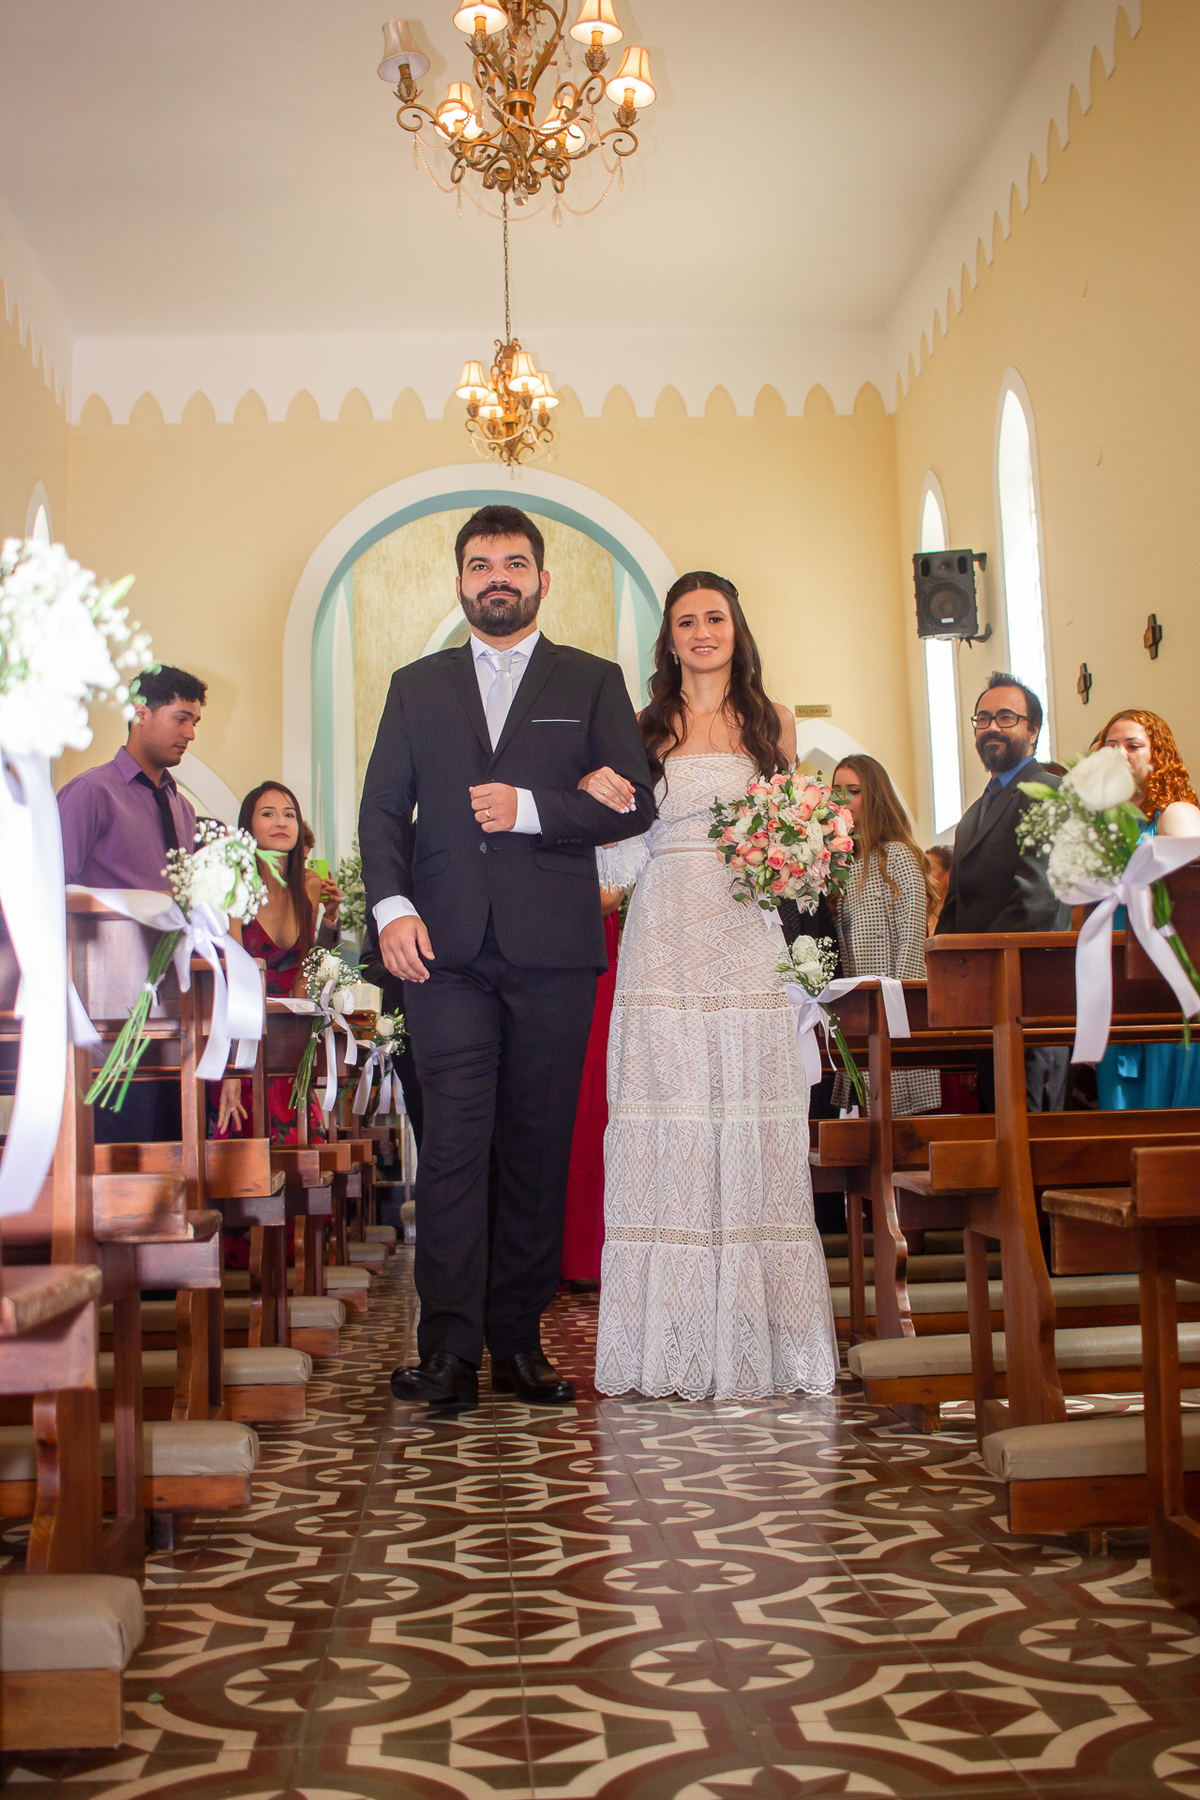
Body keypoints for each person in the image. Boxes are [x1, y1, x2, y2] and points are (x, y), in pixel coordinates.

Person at [360, 503, 654, 1412]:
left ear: (542, 579)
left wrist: (535, 806)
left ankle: (519, 1344)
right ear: (459, 579)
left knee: (534, 1148)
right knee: (453, 1145)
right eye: (482, 563)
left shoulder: (593, 680)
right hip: (441, 952)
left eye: (515, 563)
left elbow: (635, 802)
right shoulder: (416, 685)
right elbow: (381, 812)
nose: (499, 576)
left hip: (552, 950)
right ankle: (447, 1350)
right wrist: (391, 907)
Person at [593, 571, 838, 1402]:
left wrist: (791, 852)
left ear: (737, 629)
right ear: (668, 638)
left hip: (744, 927)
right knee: (673, 1111)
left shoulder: (773, 723)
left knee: (747, 1112)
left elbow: (796, 836)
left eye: (716, 619)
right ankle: (668, 1337)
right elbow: (620, 847)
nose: (702, 632)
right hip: (663, 927)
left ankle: (764, 1338)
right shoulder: (642, 726)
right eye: (686, 621)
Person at [57, 664, 207, 1141]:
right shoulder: (91, 792)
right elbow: (51, 894)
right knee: (117, 1147)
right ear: (140, 712)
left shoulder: (181, 807)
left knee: (172, 1151)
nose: (190, 734)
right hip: (107, 1009)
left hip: (173, 1006)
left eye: (195, 723)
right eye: (181, 718)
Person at [936, 671, 1070, 1111]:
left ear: (1033, 731)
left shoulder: (1047, 792)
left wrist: (979, 963)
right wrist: (946, 968)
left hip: (1027, 990)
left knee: (1030, 1130)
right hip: (985, 1000)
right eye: (983, 717)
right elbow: (955, 906)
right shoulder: (975, 813)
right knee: (996, 1126)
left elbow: (1038, 900)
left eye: (1007, 717)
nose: (991, 726)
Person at [214, 780, 341, 1142]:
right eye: (268, 814)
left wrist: (302, 1054)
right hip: (241, 1031)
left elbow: (303, 970)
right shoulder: (234, 882)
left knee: (305, 1144)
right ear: (248, 826)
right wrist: (232, 1071)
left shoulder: (310, 886)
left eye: (289, 815)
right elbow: (230, 976)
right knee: (242, 1152)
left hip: (285, 1036)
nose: (281, 822)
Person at [1091, 710, 1200, 1110]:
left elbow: (1194, 901)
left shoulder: (1174, 815)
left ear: (1159, 757)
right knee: (1121, 1111)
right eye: (1111, 745)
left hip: (1165, 985)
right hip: (1118, 979)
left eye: (1133, 745)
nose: (1120, 754)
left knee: (1168, 1103)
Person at [831, 756, 940, 1116]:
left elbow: (911, 940)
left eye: (854, 791)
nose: (843, 798)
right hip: (859, 1006)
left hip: (894, 1006)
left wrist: (897, 1008)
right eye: (836, 791)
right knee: (865, 1114)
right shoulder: (840, 863)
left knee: (899, 1112)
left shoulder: (897, 855)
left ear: (874, 796)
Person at [560, 886, 624, 1285]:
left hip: (600, 962)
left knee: (596, 1106)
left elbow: (609, 897)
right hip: (558, 955)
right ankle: (565, 1253)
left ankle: (593, 1252)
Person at [925, 845, 952, 928]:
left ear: (949, 874)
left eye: (928, 870)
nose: (922, 876)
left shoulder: (959, 916)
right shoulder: (919, 914)